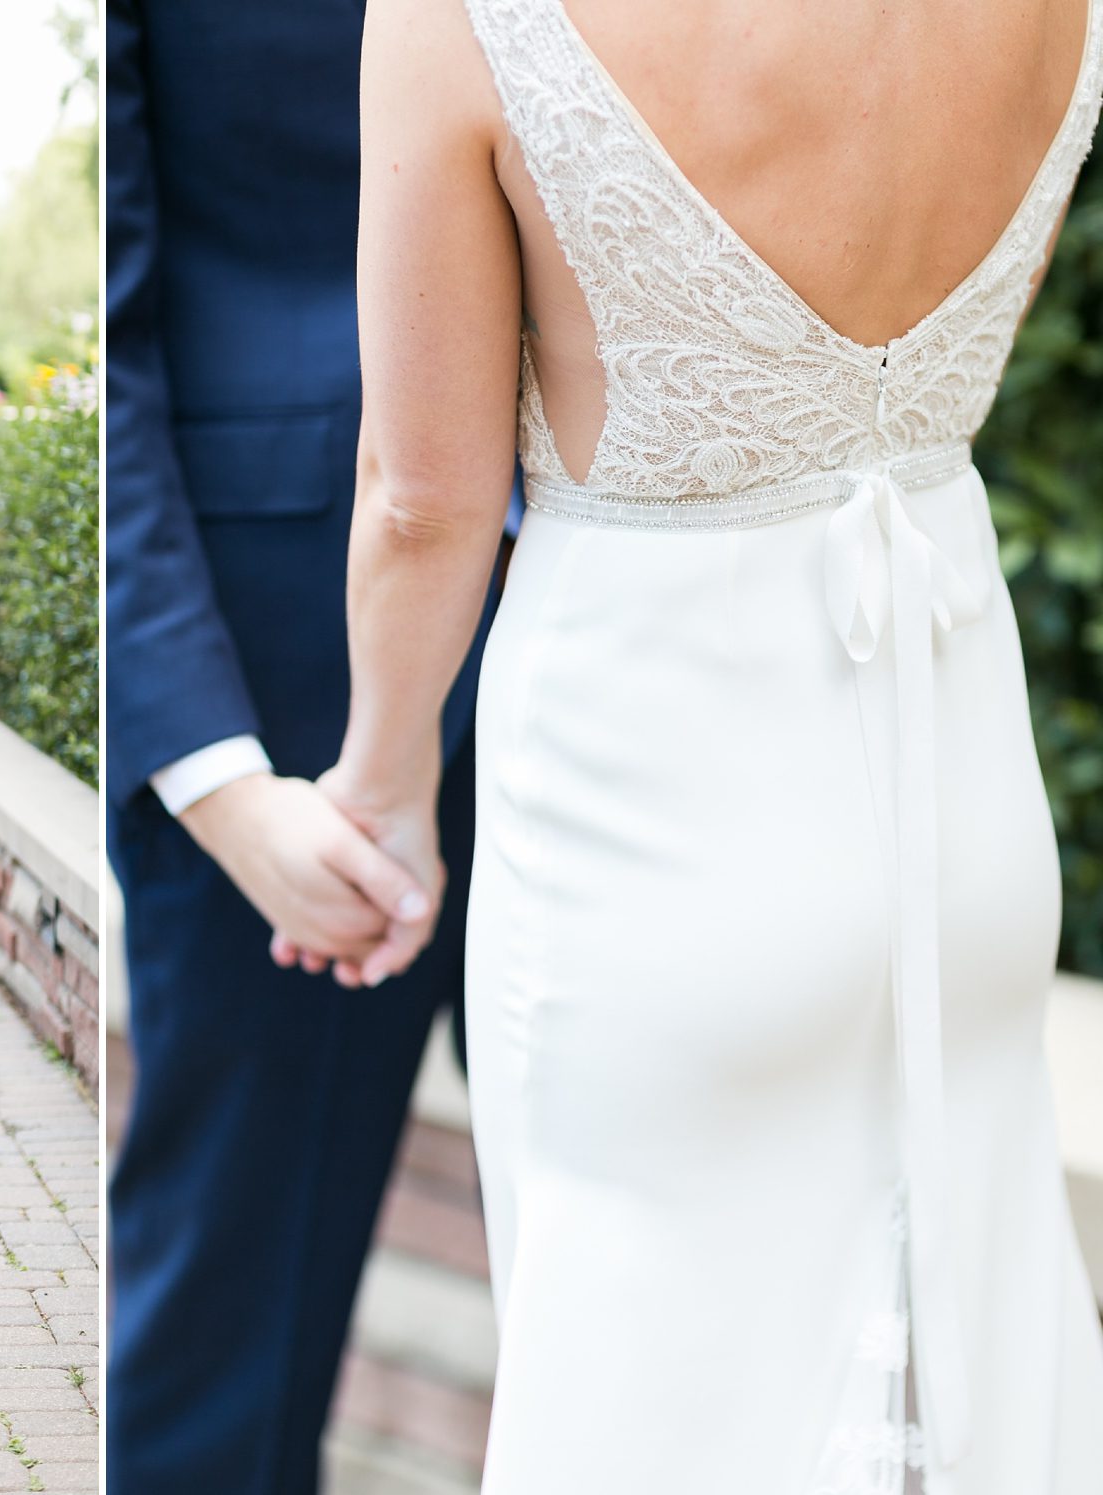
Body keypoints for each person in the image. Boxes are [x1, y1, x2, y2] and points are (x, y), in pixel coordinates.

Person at [303, 0, 1103, 1487]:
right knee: (978, 1335)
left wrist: (384, 779)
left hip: (650, 786)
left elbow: (422, 505)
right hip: (960, 769)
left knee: (644, 1378)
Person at [103, 3, 505, 1488]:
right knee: (227, 1339)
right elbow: (108, 337)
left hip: (656, 639)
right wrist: (212, 769)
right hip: (273, 688)